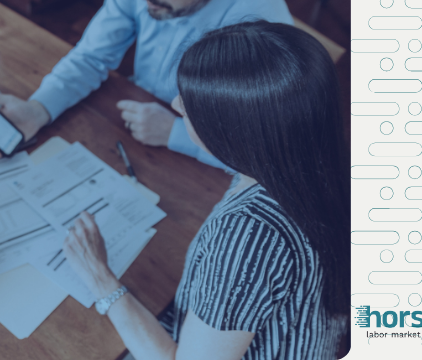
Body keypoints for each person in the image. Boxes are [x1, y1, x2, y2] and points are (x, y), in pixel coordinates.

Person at [62, 21, 350, 359]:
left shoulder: (249, 237)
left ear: (233, 136)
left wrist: (101, 279)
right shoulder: (314, 160)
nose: (174, 104)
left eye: (190, 106)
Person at [0, 0, 293, 168]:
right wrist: (38, 109)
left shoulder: (267, 28)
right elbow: (92, 56)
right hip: (131, 134)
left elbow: (269, 154)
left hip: (205, 174)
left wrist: (176, 133)